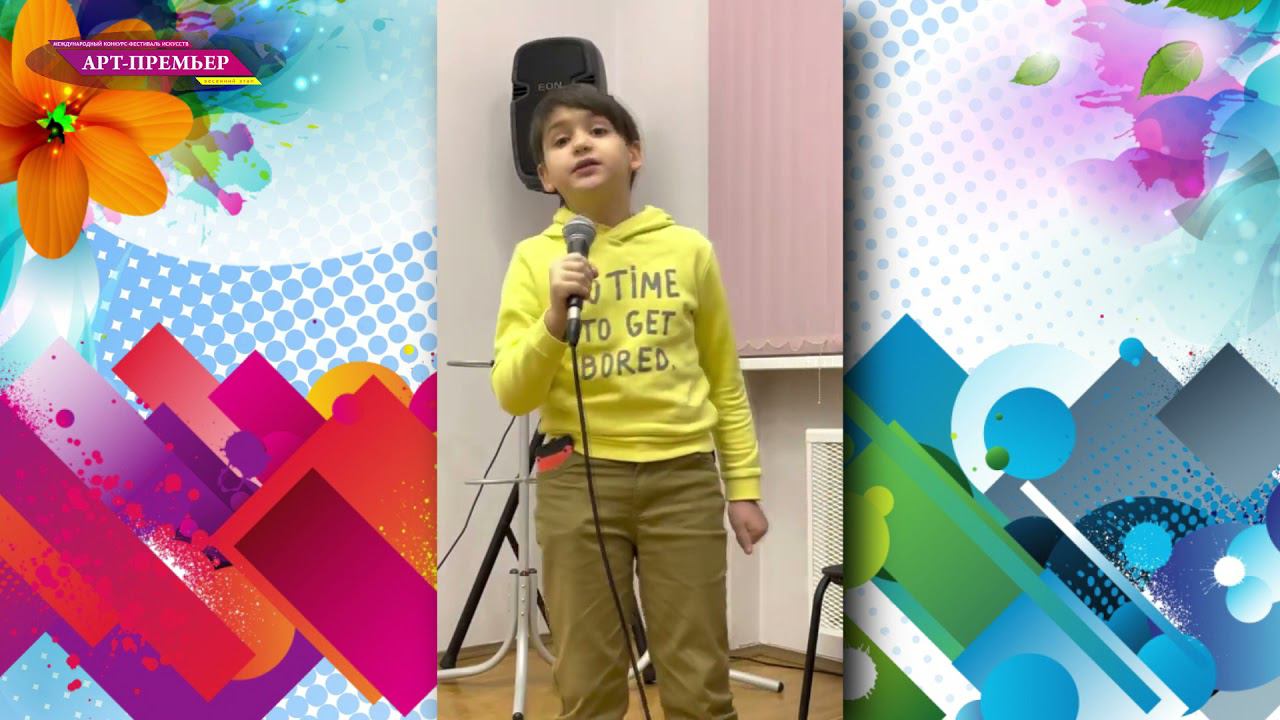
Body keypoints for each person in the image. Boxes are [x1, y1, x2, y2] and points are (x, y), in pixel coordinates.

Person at [491, 84, 768, 720]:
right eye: (561, 140)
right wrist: (553, 319)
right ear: (545, 175)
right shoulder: (535, 260)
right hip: (576, 478)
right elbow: (513, 392)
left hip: (684, 478)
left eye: (598, 130)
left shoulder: (689, 250)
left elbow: (723, 380)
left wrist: (744, 487)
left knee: (700, 680)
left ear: (633, 152)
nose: (581, 145)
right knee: (587, 682)